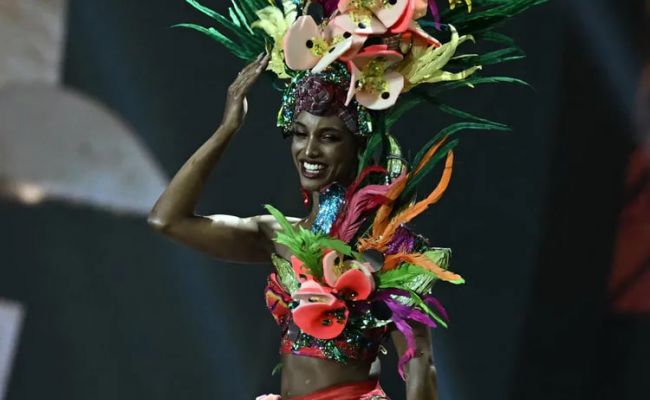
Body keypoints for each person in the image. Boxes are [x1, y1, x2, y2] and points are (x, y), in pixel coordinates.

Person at [149, 1, 544, 398]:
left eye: (329, 137)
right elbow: (167, 220)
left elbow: (420, 363)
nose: (309, 150)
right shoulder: (277, 235)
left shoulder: (388, 251)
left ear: (358, 145)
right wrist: (227, 129)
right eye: (300, 134)